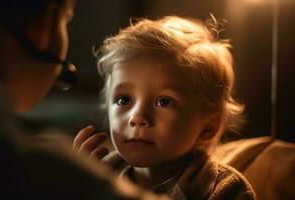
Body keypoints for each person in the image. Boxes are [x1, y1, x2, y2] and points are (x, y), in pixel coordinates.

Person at [0, 0, 167, 199]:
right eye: (66, 21)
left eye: (164, 101)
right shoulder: (60, 180)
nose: (137, 118)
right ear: (44, 27)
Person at [73, 16, 256, 199]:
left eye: (164, 102)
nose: (137, 118)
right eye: (123, 100)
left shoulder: (224, 189)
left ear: (209, 126)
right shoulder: (96, 175)